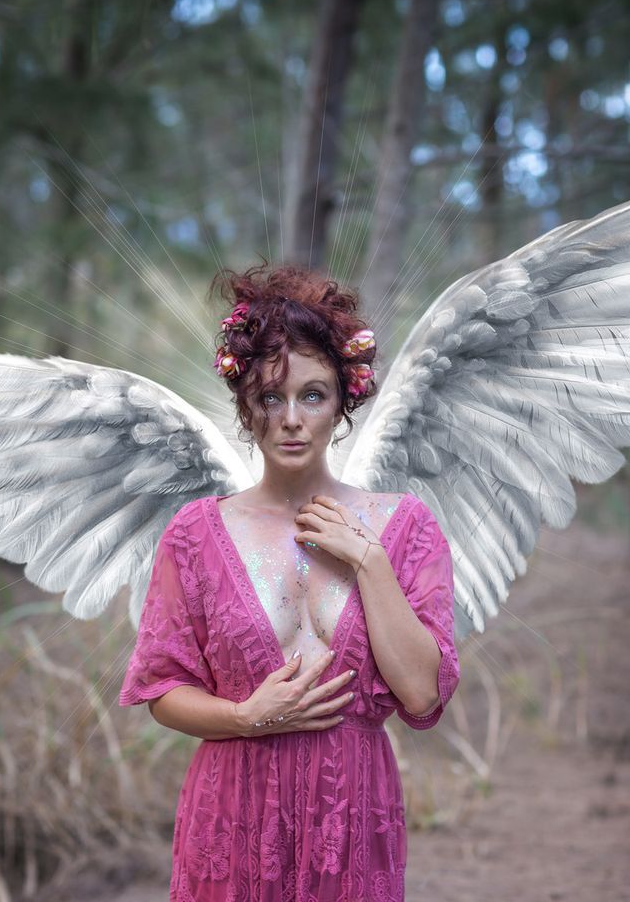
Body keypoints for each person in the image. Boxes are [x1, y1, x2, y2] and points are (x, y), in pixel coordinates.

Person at [118, 261, 461, 902]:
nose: (292, 419)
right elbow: (161, 687)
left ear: (342, 402)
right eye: (270, 397)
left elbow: (420, 694)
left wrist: (369, 563)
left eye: (312, 395)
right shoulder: (195, 535)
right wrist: (246, 716)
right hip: (231, 809)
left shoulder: (404, 527)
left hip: (353, 814)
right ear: (246, 406)